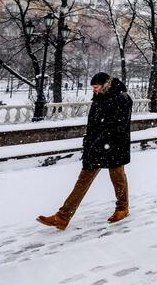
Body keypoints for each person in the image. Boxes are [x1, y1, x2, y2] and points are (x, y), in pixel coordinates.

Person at [37, 72, 133, 230]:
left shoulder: (122, 98)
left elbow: (117, 127)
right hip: (96, 148)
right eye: (93, 88)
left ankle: (122, 209)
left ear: (105, 85)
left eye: (96, 87)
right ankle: (62, 217)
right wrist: (88, 142)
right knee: (83, 181)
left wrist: (99, 142)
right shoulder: (100, 97)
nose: (94, 90)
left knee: (118, 179)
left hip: (114, 147)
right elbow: (93, 124)